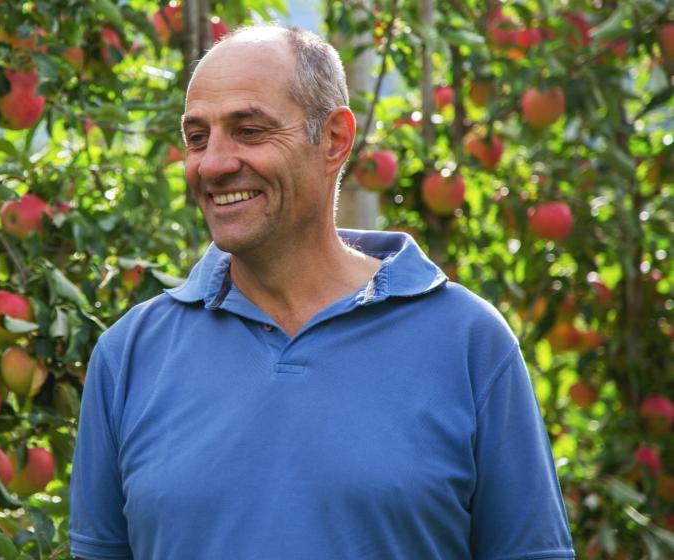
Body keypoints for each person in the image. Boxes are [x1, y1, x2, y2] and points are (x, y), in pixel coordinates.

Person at [69, 24, 575, 560]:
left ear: (333, 139)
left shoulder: (469, 342)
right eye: (198, 137)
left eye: (249, 130)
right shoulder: (130, 355)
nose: (212, 164)